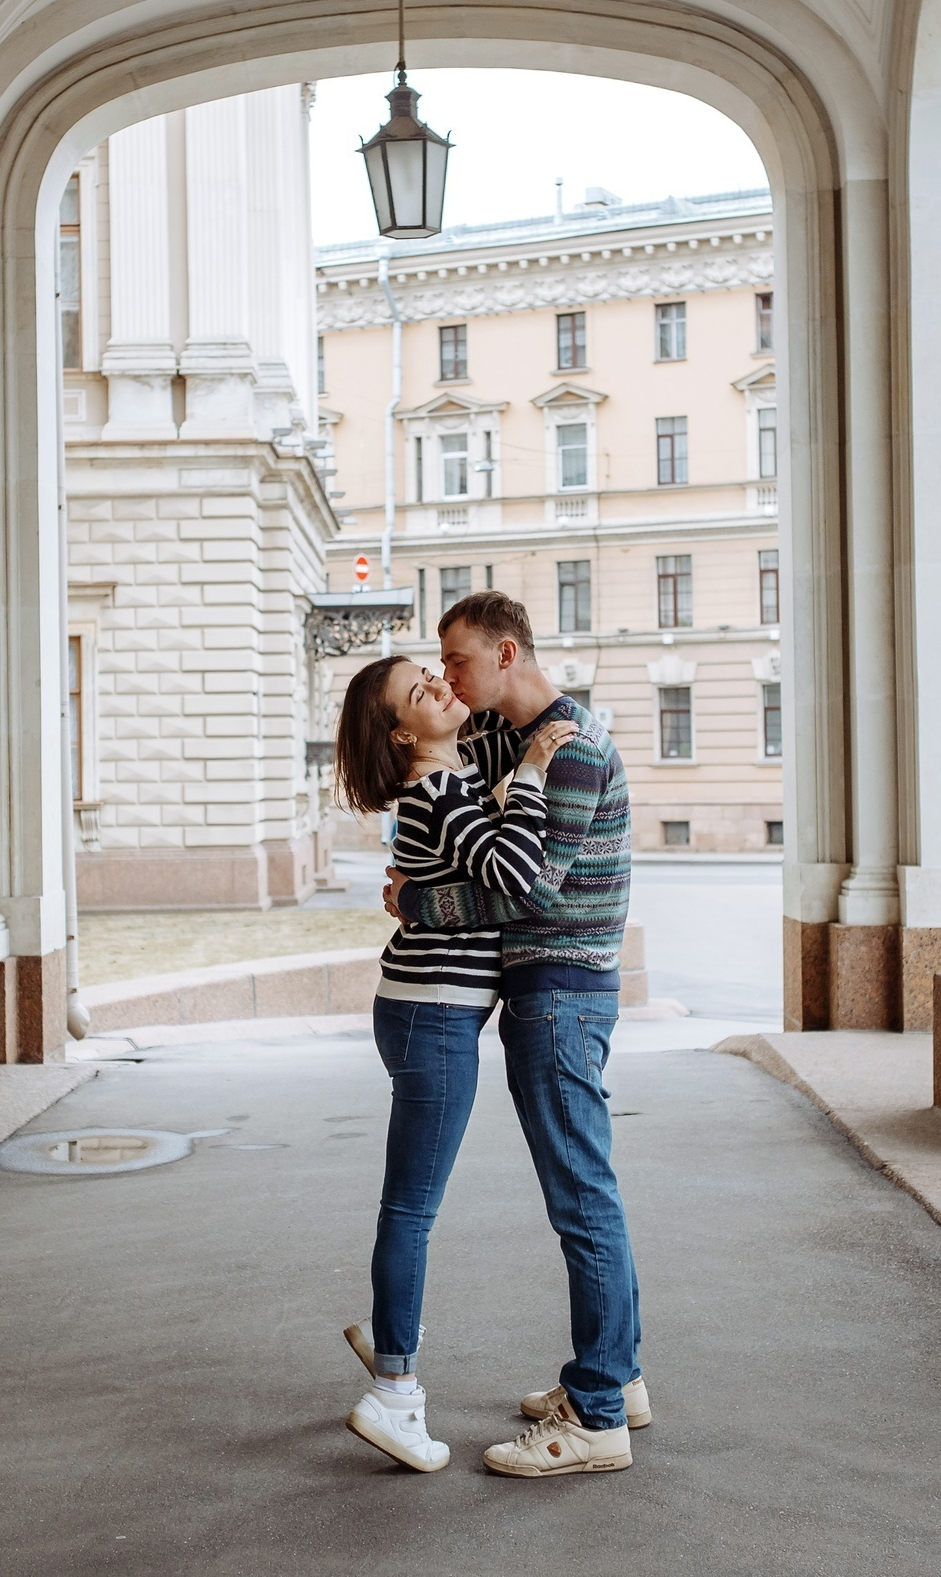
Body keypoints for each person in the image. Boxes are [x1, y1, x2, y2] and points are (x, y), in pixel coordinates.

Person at [385, 590, 647, 1479]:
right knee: (583, 1192)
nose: (445, 677)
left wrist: (418, 901)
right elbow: (446, 798)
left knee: (582, 1198)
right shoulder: (503, 737)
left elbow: (526, 889)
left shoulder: (567, 749)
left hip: (562, 994)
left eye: (455, 660)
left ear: (505, 653)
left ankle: (601, 1412)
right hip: (542, 992)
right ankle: (618, 1374)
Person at [330, 653, 578, 1473]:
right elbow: (512, 872)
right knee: (411, 1209)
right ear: (402, 732)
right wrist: (537, 768)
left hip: (423, 1010)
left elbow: (474, 851)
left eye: (430, 671)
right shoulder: (436, 789)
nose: (439, 685)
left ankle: (388, 1326)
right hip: (433, 1016)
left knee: (409, 1205)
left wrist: (508, 785)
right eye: (419, 690)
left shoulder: (446, 779)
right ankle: (395, 1392)